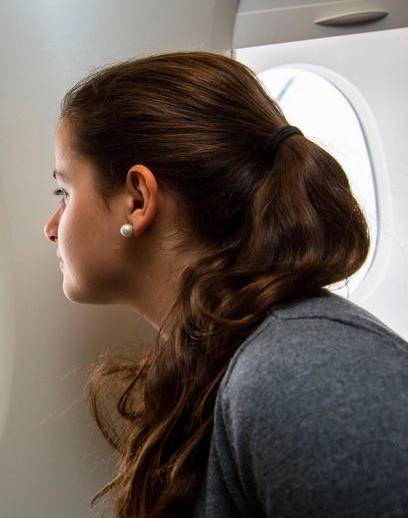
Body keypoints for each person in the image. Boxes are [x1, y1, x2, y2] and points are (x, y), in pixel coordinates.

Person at [44, 52, 408, 518]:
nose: (52, 227)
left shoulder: (303, 373)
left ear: (138, 199)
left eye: (65, 192)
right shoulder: (224, 357)